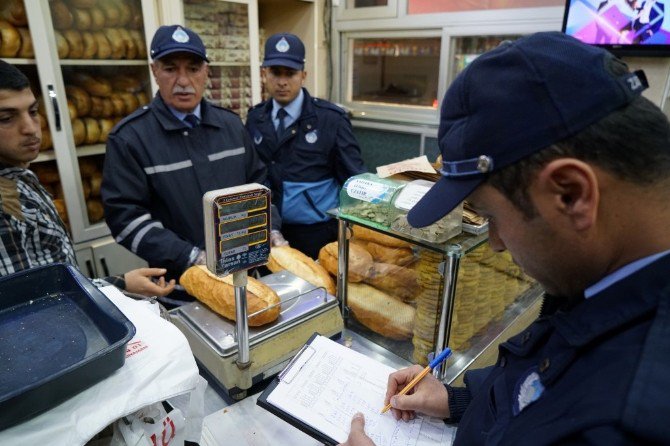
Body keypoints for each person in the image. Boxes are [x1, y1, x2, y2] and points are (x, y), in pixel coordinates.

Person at [340, 31, 670, 445]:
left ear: (571, 193)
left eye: (492, 215)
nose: (495, 241)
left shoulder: (628, 421)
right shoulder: (597, 279)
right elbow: (538, 388)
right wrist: (458, 401)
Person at [101, 25, 281, 301]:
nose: (183, 81)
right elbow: (125, 217)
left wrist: (271, 229)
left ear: (206, 71)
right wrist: (191, 256)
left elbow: (259, 186)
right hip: (181, 287)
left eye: (193, 69)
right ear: (154, 71)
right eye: (171, 69)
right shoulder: (131, 138)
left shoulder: (231, 125)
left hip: (246, 279)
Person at [0, 59, 174, 297]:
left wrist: (120, 283)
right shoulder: (4, 204)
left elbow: (55, 286)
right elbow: (31, 308)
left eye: (32, 111)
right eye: (6, 118)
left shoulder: (18, 179)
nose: (30, 128)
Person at [245, 33, 367, 259]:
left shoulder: (331, 120)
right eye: (275, 73)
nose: (282, 81)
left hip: (317, 234)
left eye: (290, 73)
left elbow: (354, 179)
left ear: (303, 75)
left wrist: (357, 230)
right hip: (267, 231)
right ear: (264, 74)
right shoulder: (255, 118)